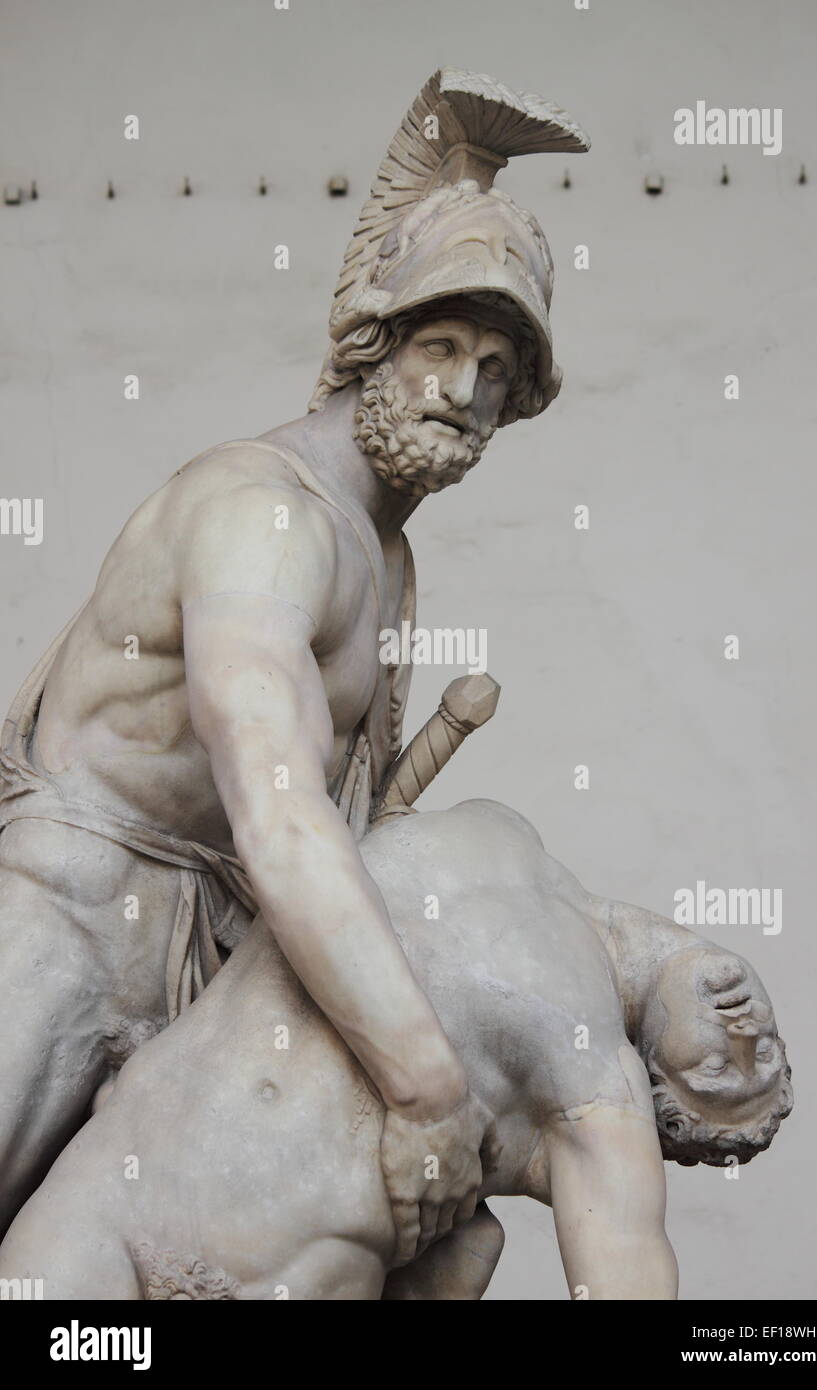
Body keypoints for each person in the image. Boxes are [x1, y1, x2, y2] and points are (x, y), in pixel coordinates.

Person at [0, 68, 589, 1259]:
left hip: (214, 972)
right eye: (439, 345)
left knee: (429, 1244)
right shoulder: (268, 518)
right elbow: (277, 818)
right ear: (371, 340)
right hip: (66, 937)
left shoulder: (385, 559)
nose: (463, 395)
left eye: (495, 374)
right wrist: (422, 1081)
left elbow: (324, 826)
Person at [0, 800, 792, 1300]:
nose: (747, 1036)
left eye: (722, 1074)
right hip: (100, 1205)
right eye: (773, 1057)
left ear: (656, 1088)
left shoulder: (596, 1088)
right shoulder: (507, 832)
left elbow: (629, 1272)